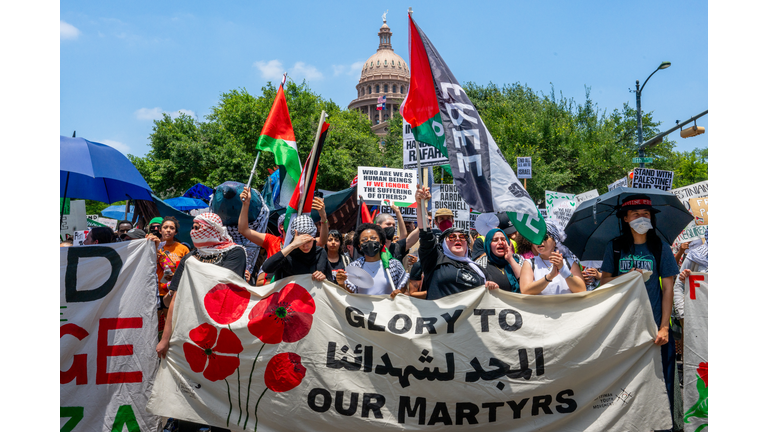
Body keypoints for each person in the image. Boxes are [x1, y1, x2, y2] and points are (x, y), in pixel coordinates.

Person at [157, 212, 246, 432]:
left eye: (198, 227)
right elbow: (174, 299)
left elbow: (220, 288)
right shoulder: (190, 258)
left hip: (222, 334)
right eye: (193, 227)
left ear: (213, 230)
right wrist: (165, 339)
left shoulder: (235, 253)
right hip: (189, 333)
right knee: (188, 390)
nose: (193, 232)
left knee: (219, 388)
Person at [599, 194, 679, 423]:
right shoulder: (614, 248)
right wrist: (626, 276)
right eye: (635, 214)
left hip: (655, 329)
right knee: (626, 383)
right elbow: (604, 284)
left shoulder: (661, 248)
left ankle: (663, 426)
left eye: (646, 214)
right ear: (625, 219)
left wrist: (664, 327)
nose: (642, 218)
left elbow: (668, 290)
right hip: (623, 328)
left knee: (662, 381)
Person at [411, 185, 498, 300]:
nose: (458, 239)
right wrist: (421, 204)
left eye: (462, 237)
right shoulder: (435, 260)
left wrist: (493, 287)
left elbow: (492, 297)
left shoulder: (479, 270)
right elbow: (426, 234)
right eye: (452, 237)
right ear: (444, 243)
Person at [337, 223, 408, 295]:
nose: (369, 241)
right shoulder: (354, 267)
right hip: (362, 306)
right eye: (364, 239)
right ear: (359, 246)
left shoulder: (394, 265)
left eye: (373, 238)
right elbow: (349, 294)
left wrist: (400, 293)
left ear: (380, 242)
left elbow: (404, 291)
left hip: (388, 306)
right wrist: (341, 283)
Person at [147, 216, 190, 334]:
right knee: (152, 325)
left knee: (170, 325)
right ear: (160, 230)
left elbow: (187, 271)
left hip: (172, 292)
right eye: (165, 227)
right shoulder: (152, 245)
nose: (168, 230)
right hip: (154, 291)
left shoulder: (183, 249)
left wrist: (175, 277)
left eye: (172, 228)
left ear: (176, 232)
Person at [519, 220, 586, 295]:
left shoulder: (570, 262)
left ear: (555, 241)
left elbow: (582, 290)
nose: (539, 241)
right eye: (536, 237)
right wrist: (550, 276)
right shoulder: (529, 263)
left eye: (545, 237)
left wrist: (563, 269)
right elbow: (525, 291)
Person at [260, 215, 332, 283]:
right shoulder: (287, 255)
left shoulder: (320, 253)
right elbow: (267, 268)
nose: (305, 246)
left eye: (308, 241)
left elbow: (331, 282)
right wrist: (293, 245)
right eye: (301, 242)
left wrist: (323, 278)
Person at [475, 228, 523, 292]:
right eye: (495, 240)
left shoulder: (517, 259)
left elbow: (524, 281)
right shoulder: (480, 264)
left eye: (503, 239)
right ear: (488, 244)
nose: (500, 242)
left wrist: (510, 259)